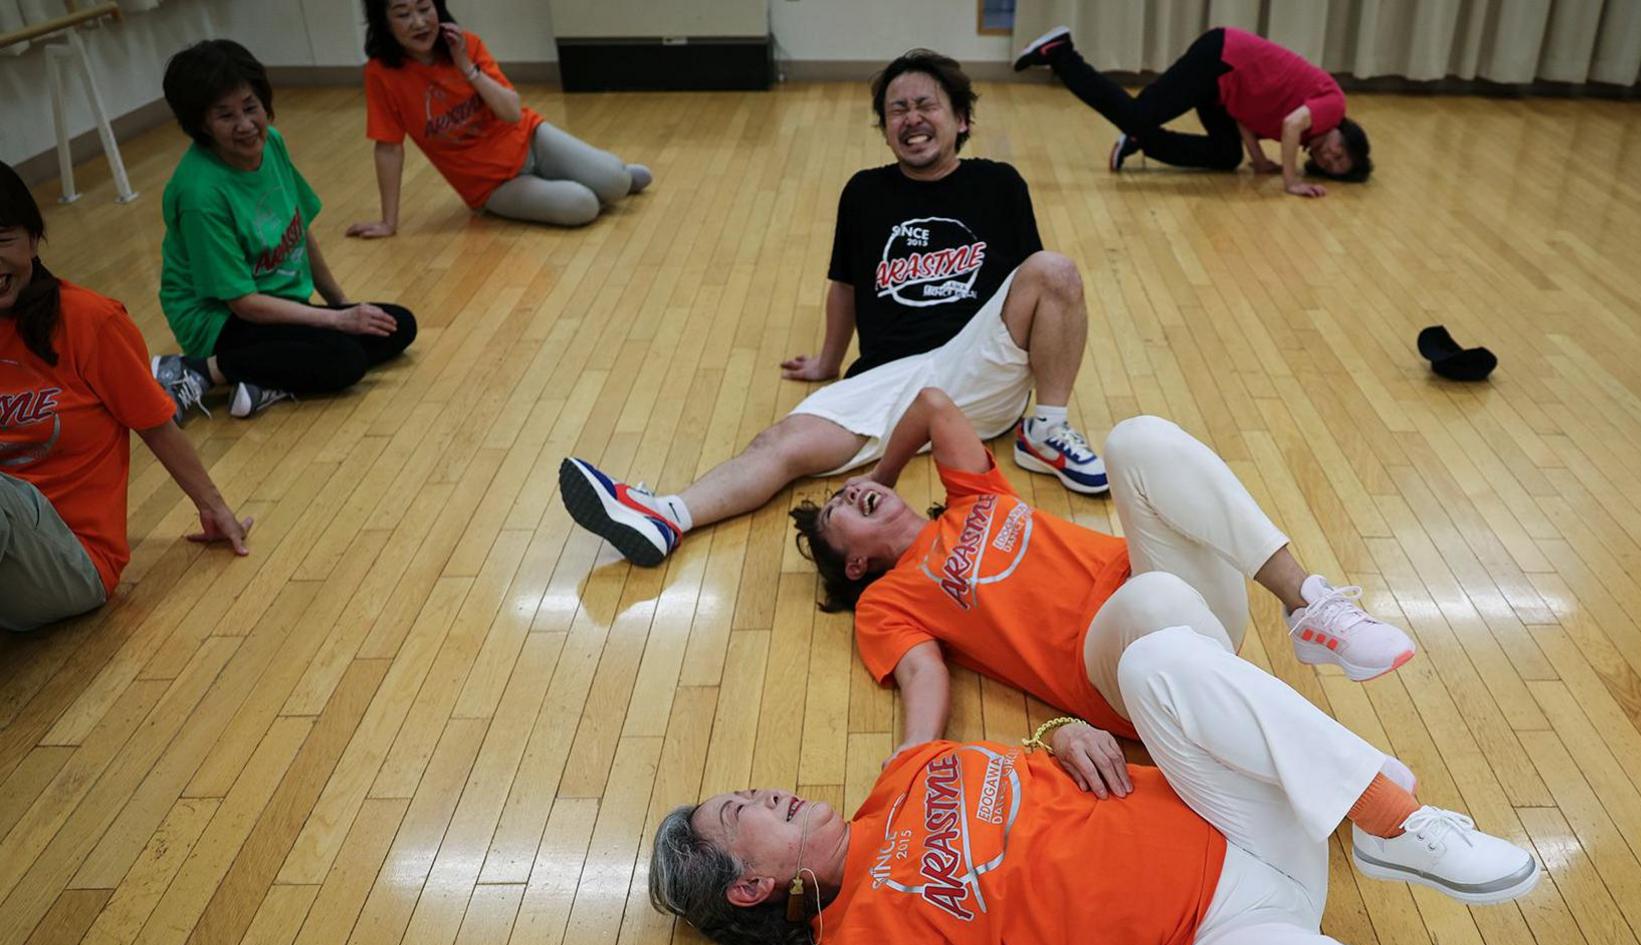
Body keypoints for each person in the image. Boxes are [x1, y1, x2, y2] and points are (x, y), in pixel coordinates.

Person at [649, 626, 1531, 945]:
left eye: (751, 787)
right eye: (742, 810)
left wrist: (1062, 728)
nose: (765, 791)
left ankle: (1391, 821)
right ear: (751, 885)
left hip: (1235, 820)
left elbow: (1027, 743)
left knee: (1156, 658)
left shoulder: (907, 770)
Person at [558, 50, 1105, 568]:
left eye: (925, 105)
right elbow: (844, 285)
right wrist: (827, 360)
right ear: (885, 128)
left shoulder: (998, 184)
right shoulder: (865, 193)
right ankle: (669, 516)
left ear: (961, 119)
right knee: (779, 445)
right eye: (897, 110)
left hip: (975, 362)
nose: (911, 118)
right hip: (888, 381)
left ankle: (1046, 431)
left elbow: (1035, 295)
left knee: (1053, 270)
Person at [792, 388, 1421, 764]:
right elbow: (922, 674)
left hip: (1192, 609)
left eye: (847, 491)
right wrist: (914, 758)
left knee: (1136, 439)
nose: (847, 495)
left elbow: (932, 404)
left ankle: (1309, 606)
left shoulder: (973, 497)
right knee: (1153, 596)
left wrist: (876, 477)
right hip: (1121, 666)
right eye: (838, 511)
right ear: (852, 563)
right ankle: (1339, 763)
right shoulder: (888, 599)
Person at [0, 162, 251, 632]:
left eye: (2, 240)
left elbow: (155, 423)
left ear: (33, 241)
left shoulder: (89, 321)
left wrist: (214, 507)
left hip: (73, 563)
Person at [153, 39, 418, 422]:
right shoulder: (200, 194)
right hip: (220, 320)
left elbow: (298, 230)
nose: (246, 125)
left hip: (275, 301)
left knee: (398, 326)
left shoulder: (271, 144)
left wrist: (343, 306)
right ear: (201, 125)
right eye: (225, 116)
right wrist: (338, 322)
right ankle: (198, 370)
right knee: (346, 360)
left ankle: (264, 377)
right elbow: (242, 302)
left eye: (251, 107)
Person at [348, 1, 652, 234]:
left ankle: (610, 179)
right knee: (582, 207)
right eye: (402, 14)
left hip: (530, 139)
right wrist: (389, 222)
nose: (418, 22)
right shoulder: (381, 74)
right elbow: (388, 148)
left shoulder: (466, 44)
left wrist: (466, 66)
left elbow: (511, 113)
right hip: (491, 185)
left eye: (425, 8)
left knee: (615, 182)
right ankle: (586, 182)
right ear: (384, 23)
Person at [1015, 25, 1370, 194]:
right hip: (1222, 58)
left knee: (1227, 155)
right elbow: (1292, 124)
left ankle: (1143, 140)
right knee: (1139, 114)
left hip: (1224, 90)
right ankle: (1061, 53)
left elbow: (1249, 118)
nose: (1330, 160)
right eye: (1341, 155)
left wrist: (1259, 160)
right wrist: (1291, 181)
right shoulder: (1333, 107)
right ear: (1346, 136)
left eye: (1334, 169)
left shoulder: (1310, 130)